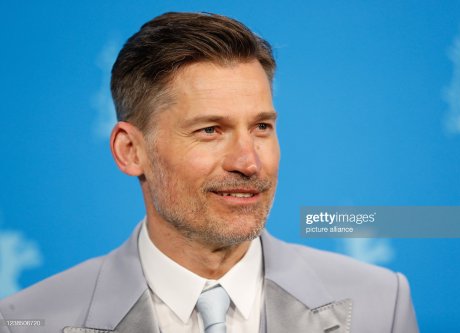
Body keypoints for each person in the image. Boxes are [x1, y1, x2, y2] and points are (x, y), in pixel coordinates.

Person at [0, 12, 419, 333]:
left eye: (261, 127)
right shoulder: (28, 320)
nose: (248, 162)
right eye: (210, 130)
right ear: (130, 151)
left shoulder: (381, 304)